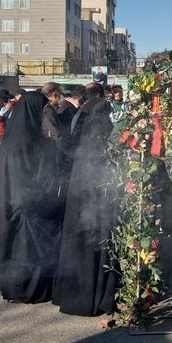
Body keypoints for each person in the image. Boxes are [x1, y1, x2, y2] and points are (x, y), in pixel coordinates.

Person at [52, 82, 118, 316]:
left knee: (76, 240)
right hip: (96, 197)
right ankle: (94, 294)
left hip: (77, 193)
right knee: (94, 238)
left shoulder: (80, 126)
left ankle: (69, 294)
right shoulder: (102, 131)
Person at [0, 92, 63, 303]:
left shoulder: (20, 133)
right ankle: (27, 289)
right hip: (27, 204)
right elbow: (28, 173)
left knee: (24, 248)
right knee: (26, 251)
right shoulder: (23, 139)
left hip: (22, 202)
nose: (44, 114)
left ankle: (28, 288)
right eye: (42, 110)